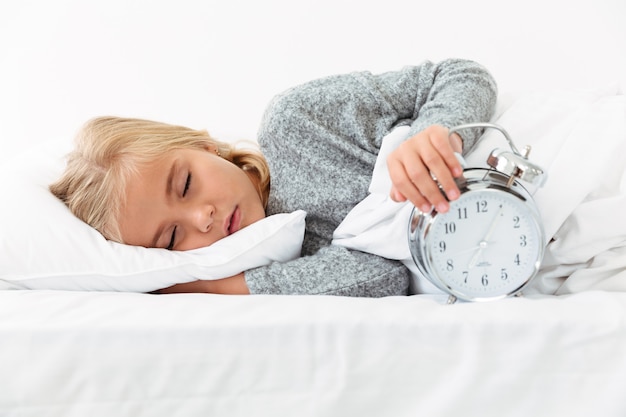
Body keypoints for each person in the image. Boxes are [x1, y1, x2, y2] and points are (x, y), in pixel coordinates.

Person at [50, 58, 498, 297]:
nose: (202, 218)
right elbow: (383, 277)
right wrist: (217, 286)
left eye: (185, 185)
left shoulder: (297, 124)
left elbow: (459, 74)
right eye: (172, 238)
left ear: (204, 146)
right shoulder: (268, 259)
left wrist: (434, 135)